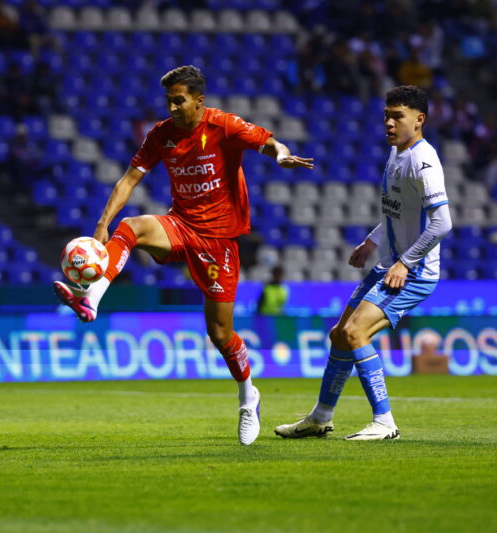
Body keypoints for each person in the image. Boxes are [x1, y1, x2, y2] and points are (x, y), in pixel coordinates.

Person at [54, 65, 314, 446]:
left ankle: (248, 398)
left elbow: (268, 142)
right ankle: (90, 299)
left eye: (179, 100)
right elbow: (129, 179)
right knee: (132, 228)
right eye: (169, 101)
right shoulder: (161, 134)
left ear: (198, 100)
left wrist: (281, 156)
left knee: (220, 333)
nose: (173, 108)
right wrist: (101, 224)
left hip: (219, 240)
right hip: (181, 225)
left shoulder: (223, 125)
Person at [275, 86, 451, 441]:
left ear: (419, 120)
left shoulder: (424, 161)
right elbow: (396, 212)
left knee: (355, 333)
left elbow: (442, 222)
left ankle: (385, 422)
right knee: (339, 335)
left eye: (397, 116)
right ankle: (320, 417)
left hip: (412, 273)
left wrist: (405, 261)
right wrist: (373, 240)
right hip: (387, 264)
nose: (389, 122)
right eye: (386, 115)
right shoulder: (396, 153)